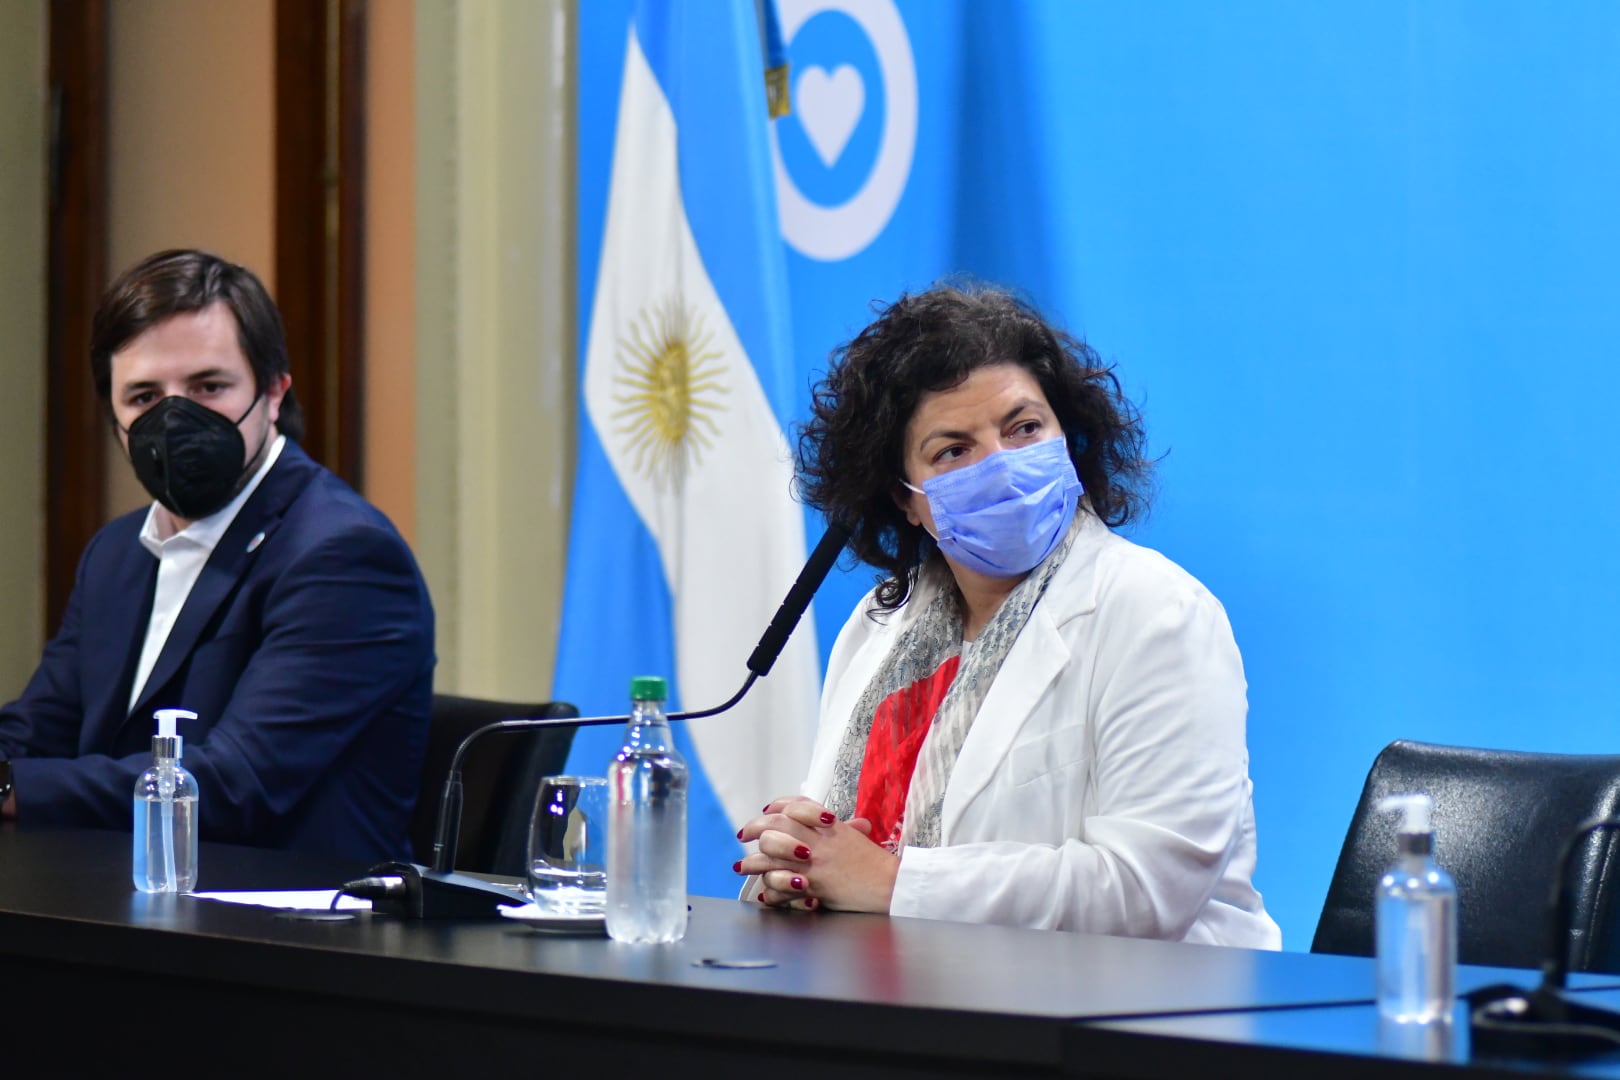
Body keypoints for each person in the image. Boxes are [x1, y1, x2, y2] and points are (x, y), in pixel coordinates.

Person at [736, 284, 1280, 947]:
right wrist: (795, 864)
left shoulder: (1158, 613)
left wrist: (889, 882)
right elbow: (836, 848)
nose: (1002, 466)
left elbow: (1143, 892)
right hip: (903, 1002)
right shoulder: (883, 624)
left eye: (1024, 428)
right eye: (953, 451)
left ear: (1068, 438)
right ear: (905, 498)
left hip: (1132, 1026)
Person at [0, 249, 434, 863]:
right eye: (144, 397)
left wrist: (9, 787)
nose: (175, 420)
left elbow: (236, 785)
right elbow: (37, 734)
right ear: (113, 417)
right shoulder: (117, 553)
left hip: (285, 933)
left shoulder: (344, 555)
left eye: (209, 386)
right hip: (122, 909)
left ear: (274, 392)